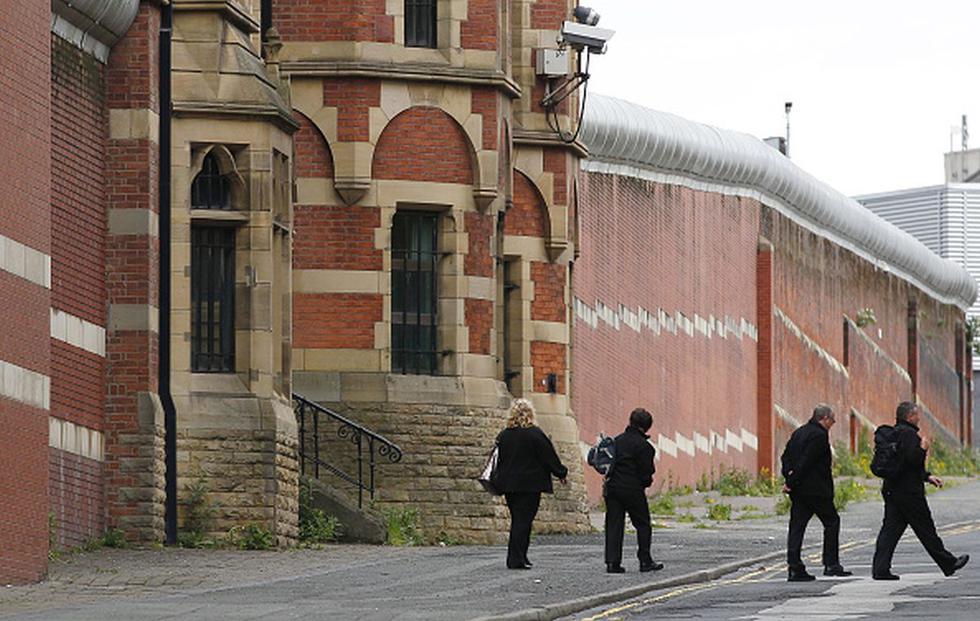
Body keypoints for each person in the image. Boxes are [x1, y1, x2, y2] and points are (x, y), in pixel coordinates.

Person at [871, 401, 969, 580]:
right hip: (909, 493)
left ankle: (880, 569)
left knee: (890, 531)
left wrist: (927, 477)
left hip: (893, 489)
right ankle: (948, 563)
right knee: (926, 529)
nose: (919, 418)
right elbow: (912, 460)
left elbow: (903, 465)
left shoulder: (896, 433)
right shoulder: (909, 435)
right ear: (910, 417)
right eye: (917, 415)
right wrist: (923, 448)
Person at [780, 404, 852, 581]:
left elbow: (785, 457)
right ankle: (831, 564)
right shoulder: (819, 436)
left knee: (797, 527)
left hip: (799, 490)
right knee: (832, 522)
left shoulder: (799, 432)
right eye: (832, 420)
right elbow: (807, 462)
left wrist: (789, 477)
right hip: (816, 490)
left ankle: (794, 567)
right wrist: (791, 481)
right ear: (824, 418)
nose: (833, 423)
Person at [494, 398, 568, 569]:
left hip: (510, 485)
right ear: (530, 414)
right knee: (524, 521)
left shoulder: (504, 435)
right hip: (530, 485)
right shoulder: (535, 434)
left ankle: (521, 555)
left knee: (518, 519)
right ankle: (515, 559)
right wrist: (561, 473)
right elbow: (548, 457)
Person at [604, 407, 663, 574]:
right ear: (647, 427)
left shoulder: (616, 441)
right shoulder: (645, 447)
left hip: (613, 488)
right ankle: (645, 560)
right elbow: (647, 472)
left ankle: (612, 563)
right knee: (643, 524)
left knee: (614, 524)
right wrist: (645, 483)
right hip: (632, 489)